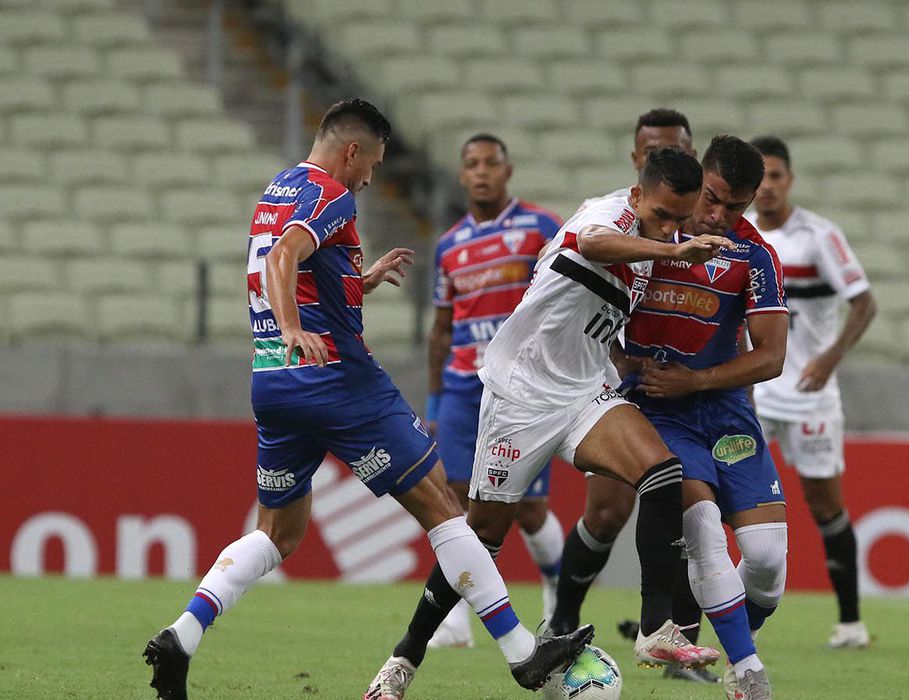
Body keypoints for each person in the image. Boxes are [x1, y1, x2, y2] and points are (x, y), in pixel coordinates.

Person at [141, 98, 592, 700]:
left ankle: (182, 635)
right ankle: (522, 653)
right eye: (372, 164)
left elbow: (294, 264)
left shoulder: (279, 188)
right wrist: (294, 325)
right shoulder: (331, 192)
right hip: (337, 378)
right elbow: (283, 258)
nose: (370, 178)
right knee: (444, 508)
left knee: (277, 532)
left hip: (273, 381)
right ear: (352, 151)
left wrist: (358, 281)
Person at [369, 148, 732, 698]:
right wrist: (673, 248)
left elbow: (597, 315)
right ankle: (404, 657)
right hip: (520, 394)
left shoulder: (654, 245)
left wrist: (627, 356)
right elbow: (592, 245)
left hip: (583, 393)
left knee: (662, 473)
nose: (669, 228)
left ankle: (656, 629)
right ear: (638, 195)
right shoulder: (608, 215)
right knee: (481, 537)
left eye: (679, 220)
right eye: (661, 215)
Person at [617, 135, 790, 700]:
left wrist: (697, 380)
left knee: (766, 562)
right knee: (705, 530)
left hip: (724, 409)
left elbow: (772, 356)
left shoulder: (754, 256)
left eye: (734, 206)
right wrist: (619, 361)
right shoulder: (643, 233)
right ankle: (747, 672)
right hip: (658, 411)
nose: (717, 215)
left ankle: (733, 634)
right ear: (698, 179)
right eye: (711, 198)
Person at [553, 108, 716, 685]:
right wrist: (621, 358)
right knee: (605, 513)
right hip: (620, 383)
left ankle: (674, 641)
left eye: (679, 150)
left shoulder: (708, 234)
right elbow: (590, 300)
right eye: (652, 151)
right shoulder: (620, 222)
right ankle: (562, 620)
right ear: (637, 163)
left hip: (688, 393)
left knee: (691, 506)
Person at [427, 133, 567, 648]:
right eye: (472, 164)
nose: (482, 172)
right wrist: (435, 402)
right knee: (456, 502)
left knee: (526, 509)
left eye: (491, 163)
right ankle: (455, 622)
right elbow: (442, 329)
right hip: (463, 388)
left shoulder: (541, 228)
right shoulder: (449, 246)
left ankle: (558, 594)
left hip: (520, 388)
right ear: (462, 175)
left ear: (508, 171)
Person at [746, 136, 878, 650]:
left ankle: (850, 623)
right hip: (754, 393)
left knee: (825, 506)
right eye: (760, 177)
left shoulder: (819, 235)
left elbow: (864, 303)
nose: (768, 186)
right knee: (725, 500)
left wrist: (829, 358)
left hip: (809, 395)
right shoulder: (739, 234)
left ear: (791, 180)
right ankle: (693, 621)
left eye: (776, 175)